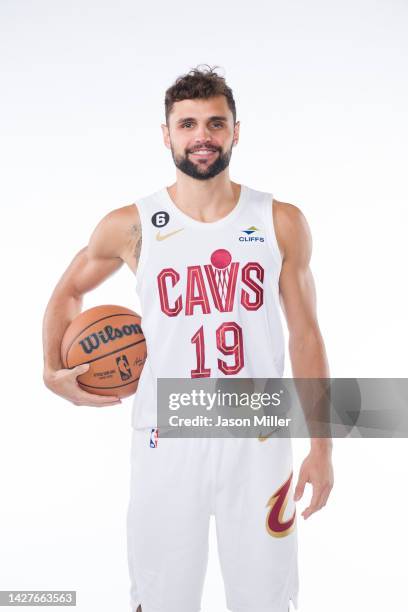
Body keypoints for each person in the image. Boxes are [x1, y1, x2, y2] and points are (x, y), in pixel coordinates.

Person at [42, 64, 334, 612]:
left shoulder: (280, 221)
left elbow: (306, 337)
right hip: (165, 434)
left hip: (258, 436)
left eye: (215, 124)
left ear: (235, 131)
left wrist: (322, 447)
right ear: (167, 134)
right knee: (162, 598)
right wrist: (50, 370)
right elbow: (66, 294)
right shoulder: (132, 224)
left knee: (268, 599)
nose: (202, 136)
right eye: (188, 124)